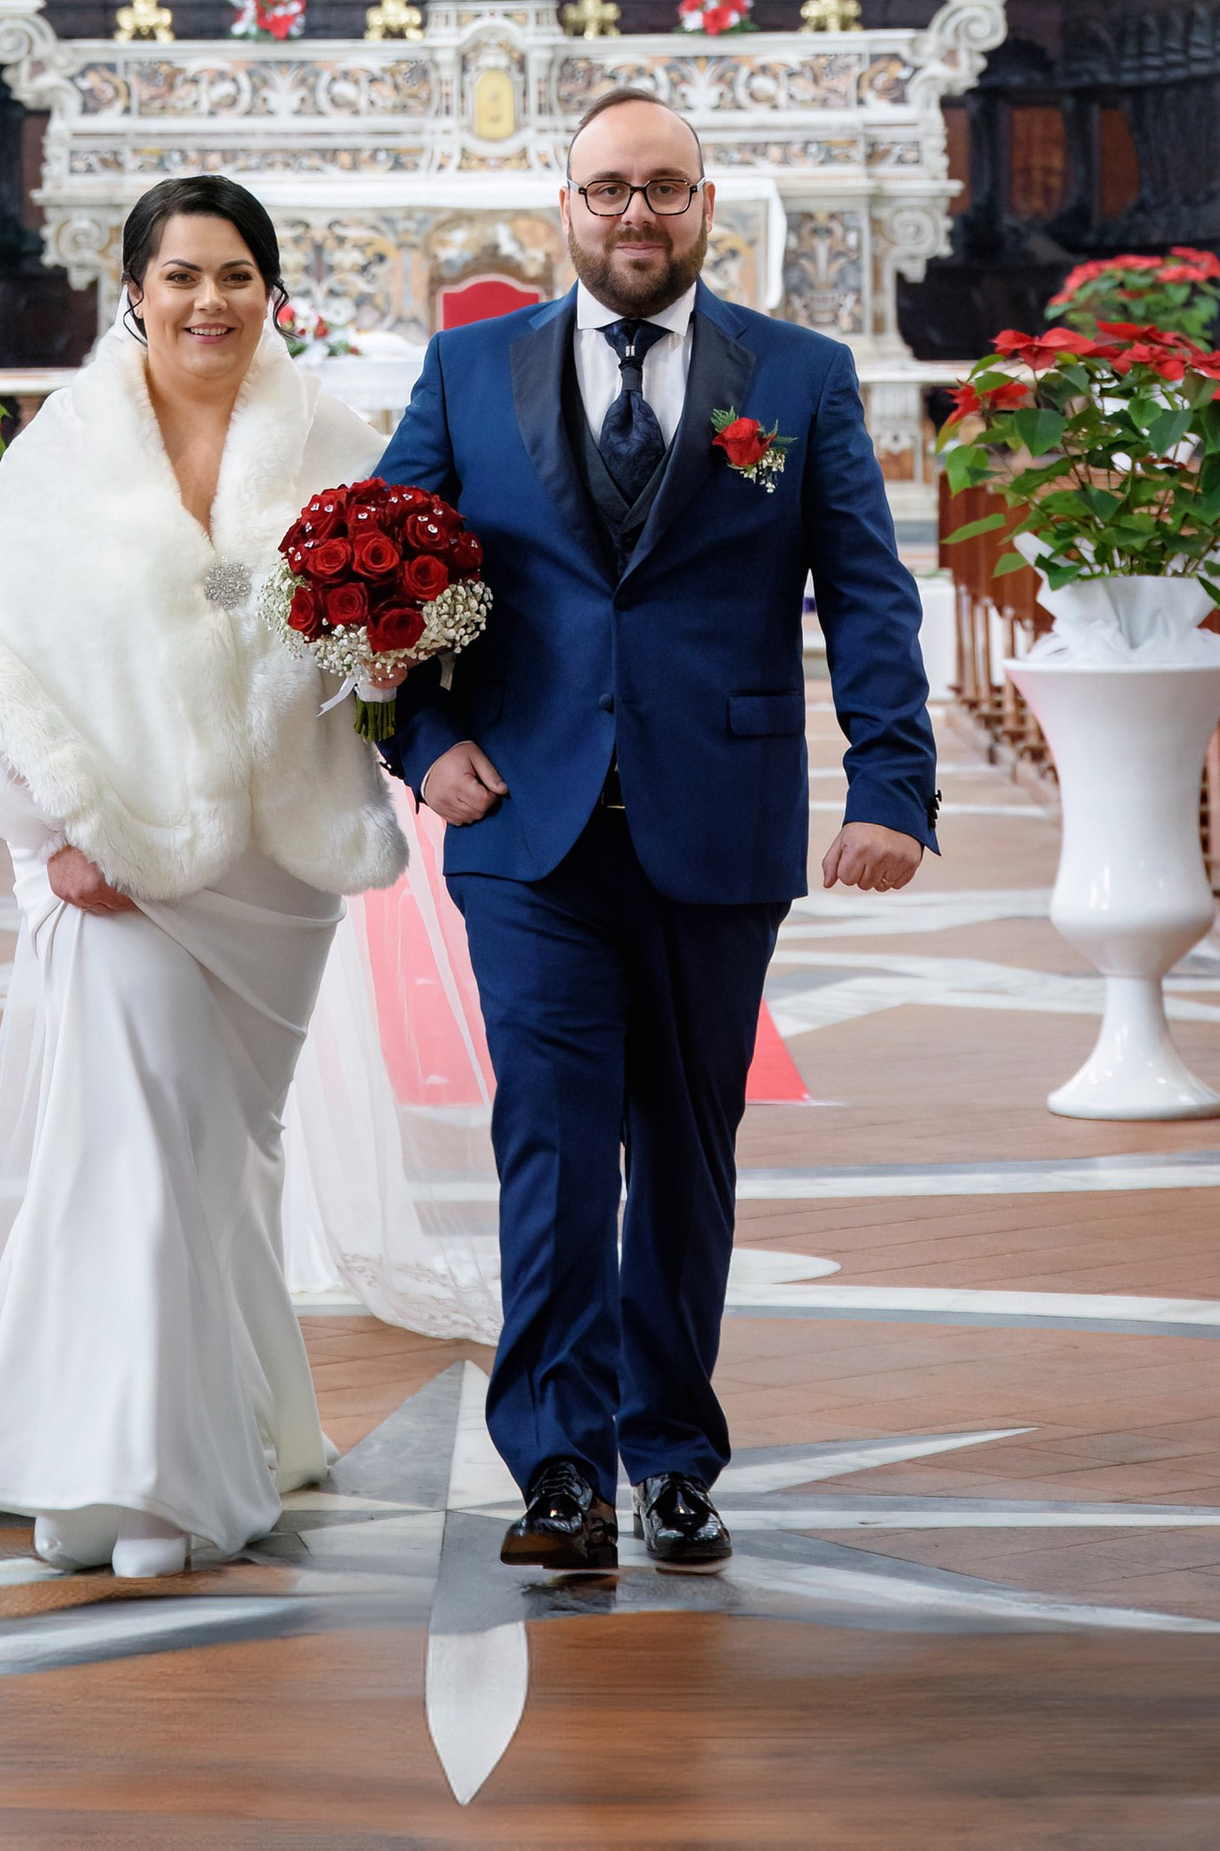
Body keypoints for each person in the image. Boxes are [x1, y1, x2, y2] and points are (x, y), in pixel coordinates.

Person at [377, 90, 937, 1577]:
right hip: (528, 826)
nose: (638, 214)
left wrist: (892, 783)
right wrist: (424, 744)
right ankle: (558, 1467)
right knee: (552, 1149)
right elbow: (380, 573)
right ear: (562, 203)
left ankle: (675, 1456)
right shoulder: (467, 366)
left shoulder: (800, 376)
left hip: (718, 815)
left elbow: (867, 590)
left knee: (687, 1153)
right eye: (610, 188)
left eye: (667, 189)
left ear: (707, 204)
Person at [0, 173, 406, 1573]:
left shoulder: (341, 442)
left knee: (224, 1159)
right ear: (135, 288)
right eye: (181, 273)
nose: (210, 300)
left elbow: (385, 644)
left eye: (236, 274)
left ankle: (233, 1431)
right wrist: (46, 835)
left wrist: (398, 659)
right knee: (132, 1156)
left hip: (273, 877)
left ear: (272, 290)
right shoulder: (62, 449)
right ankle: (136, 1475)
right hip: (114, 870)